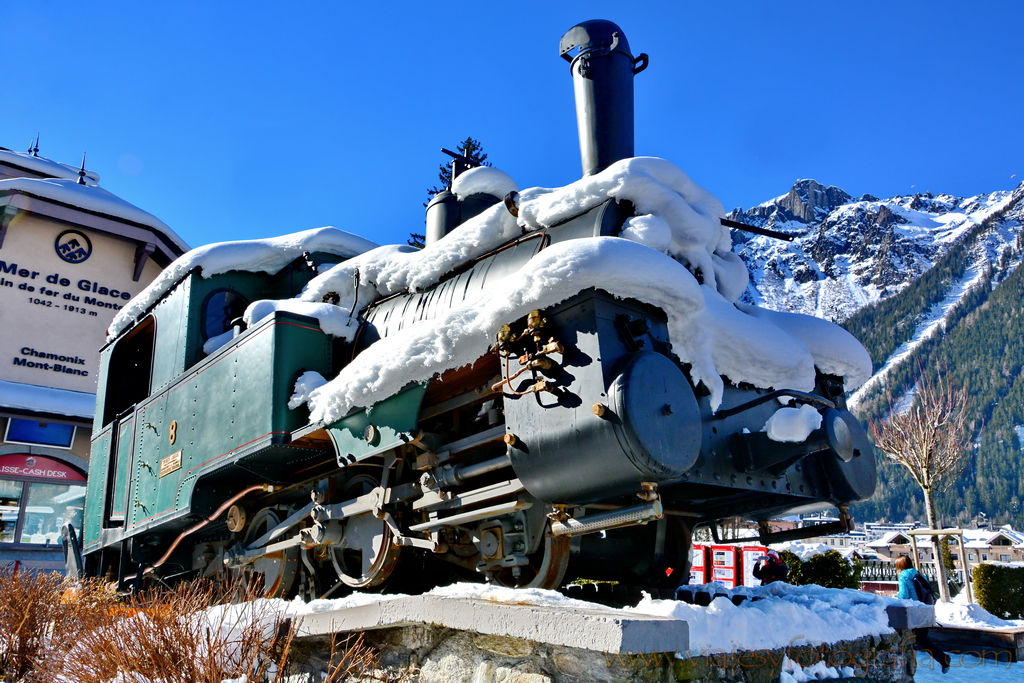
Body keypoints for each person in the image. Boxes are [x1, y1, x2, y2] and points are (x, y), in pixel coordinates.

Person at [895, 555, 950, 674]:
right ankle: (942, 659)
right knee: (922, 639)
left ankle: (907, 668)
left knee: (914, 639)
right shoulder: (919, 574)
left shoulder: (904, 576)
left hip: (914, 611)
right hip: (925, 610)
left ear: (899, 565)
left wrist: (896, 598)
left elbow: (904, 596)